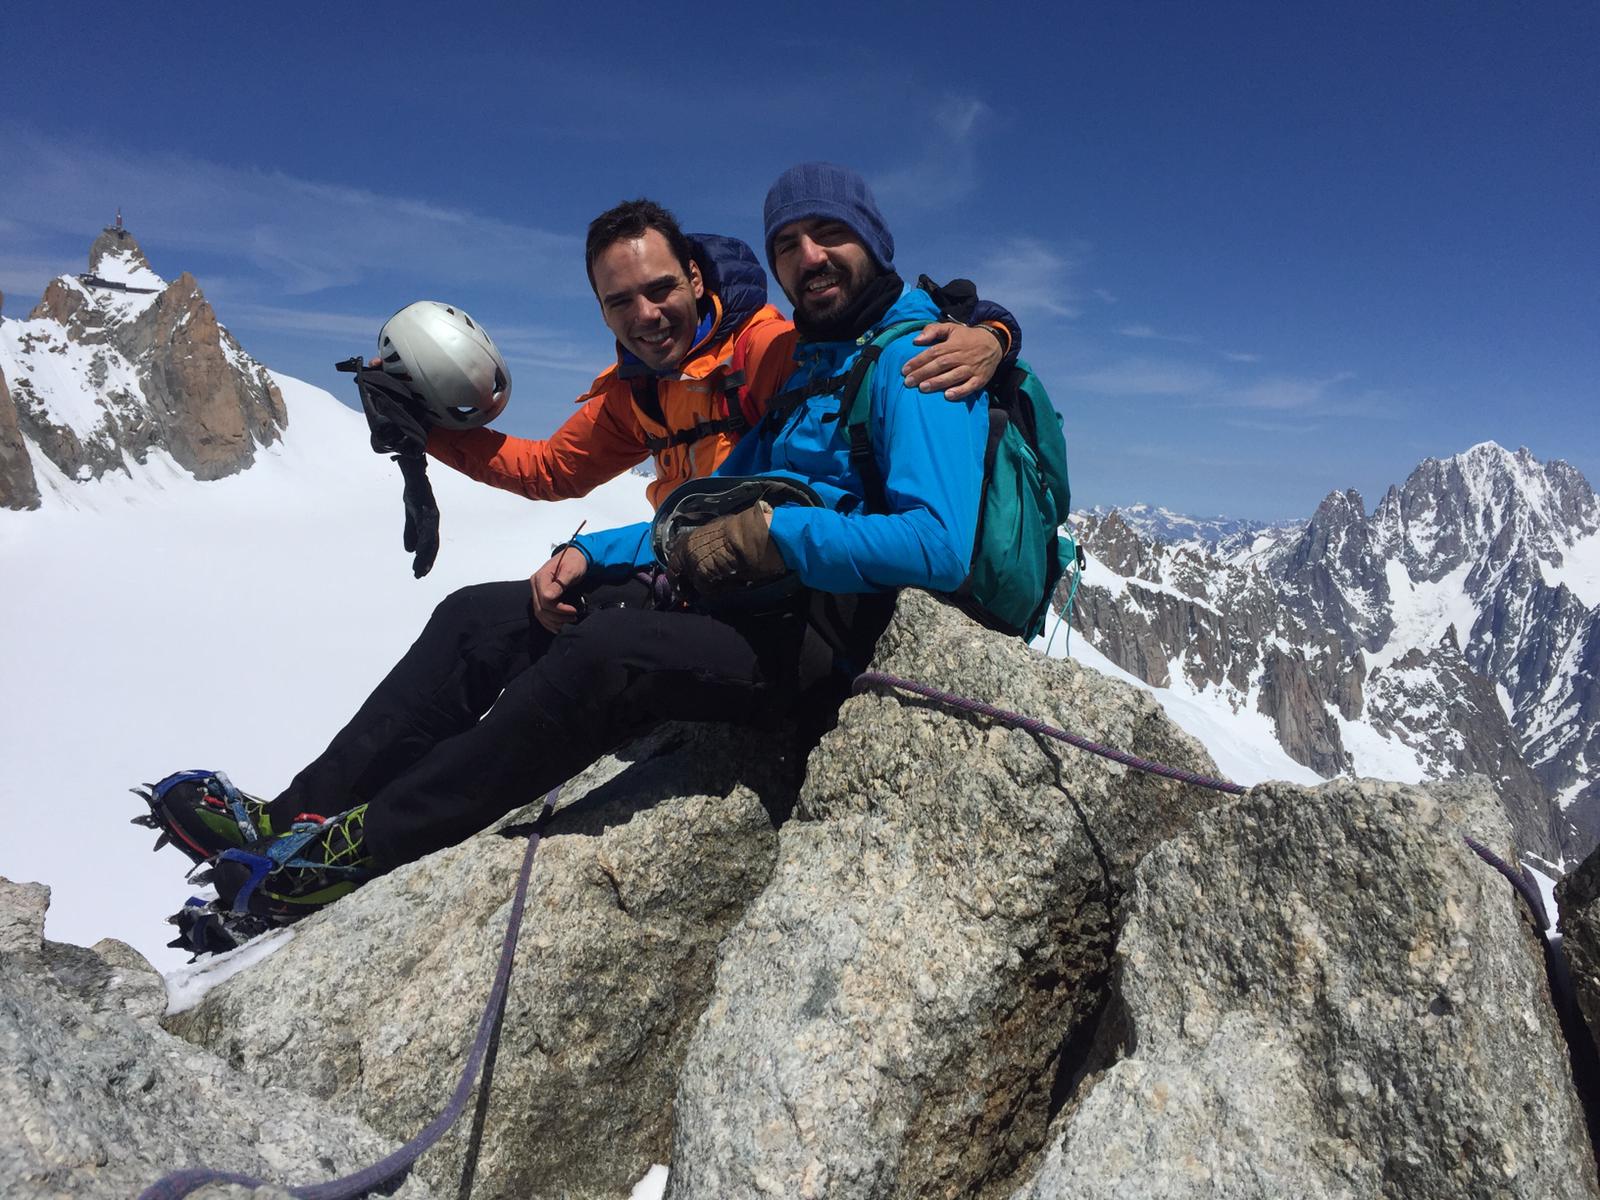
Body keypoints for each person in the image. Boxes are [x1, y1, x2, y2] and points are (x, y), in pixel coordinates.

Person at [143, 164, 1001, 927]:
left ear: (698, 276)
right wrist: (587, 551)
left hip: (824, 629)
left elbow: (930, 539)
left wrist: (992, 334)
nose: (810, 259)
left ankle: (359, 854)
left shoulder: (841, 354)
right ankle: (295, 815)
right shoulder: (802, 364)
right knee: (484, 617)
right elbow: (644, 485)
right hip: (745, 589)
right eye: (791, 243)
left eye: (832, 234)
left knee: (602, 650)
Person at [410, 199, 1017, 511]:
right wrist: (424, 429)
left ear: (697, 280)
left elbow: (870, 323)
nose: (644, 317)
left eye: (660, 289)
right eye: (620, 302)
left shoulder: (766, 348)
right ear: (600, 311)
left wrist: (993, 332)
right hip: (686, 565)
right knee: (472, 623)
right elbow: (549, 472)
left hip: (765, 580)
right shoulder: (637, 393)